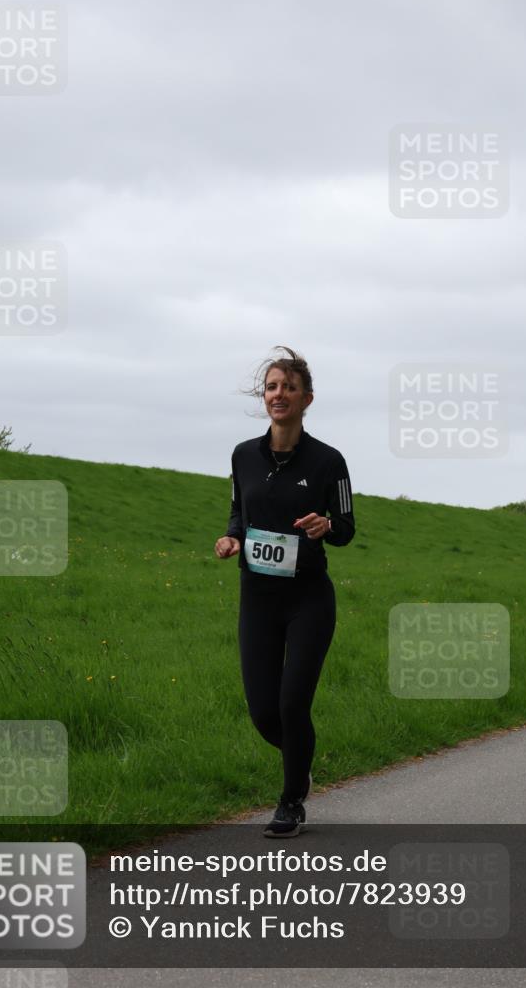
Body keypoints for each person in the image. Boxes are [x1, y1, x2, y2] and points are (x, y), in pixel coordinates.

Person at [214, 346, 356, 837]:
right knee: (263, 712)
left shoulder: (328, 461)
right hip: (257, 598)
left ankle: (291, 799)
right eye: (272, 386)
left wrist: (325, 525)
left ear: (306, 399)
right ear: (265, 396)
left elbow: (346, 527)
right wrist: (232, 536)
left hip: (308, 598)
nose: (279, 394)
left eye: (289, 387)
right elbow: (239, 510)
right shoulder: (242, 456)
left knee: (293, 703)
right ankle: (302, 763)